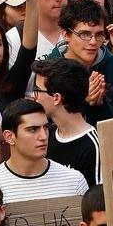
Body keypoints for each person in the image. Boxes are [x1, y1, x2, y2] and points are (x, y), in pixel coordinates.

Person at [0, 98, 88, 203]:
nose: (43, 136)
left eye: (46, 127)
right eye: (33, 129)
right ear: (9, 137)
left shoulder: (74, 181)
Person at [47, 0, 113, 123]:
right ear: (65, 34)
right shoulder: (49, 70)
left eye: (99, 35)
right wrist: (84, 102)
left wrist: (101, 104)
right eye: (84, 34)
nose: (93, 41)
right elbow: (49, 125)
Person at [32, 58, 101, 187]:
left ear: (56, 98)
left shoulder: (93, 147)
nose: (33, 96)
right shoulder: (48, 134)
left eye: (37, 90)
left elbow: (96, 200)